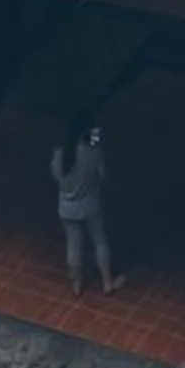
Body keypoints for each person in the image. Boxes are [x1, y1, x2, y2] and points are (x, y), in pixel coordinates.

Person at [50, 114, 120, 294]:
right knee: (99, 240)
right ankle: (107, 282)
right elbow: (102, 175)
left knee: (73, 244)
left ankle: (77, 284)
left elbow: (56, 177)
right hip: (90, 204)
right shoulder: (91, 152)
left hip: (66, 206)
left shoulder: (59, 154)